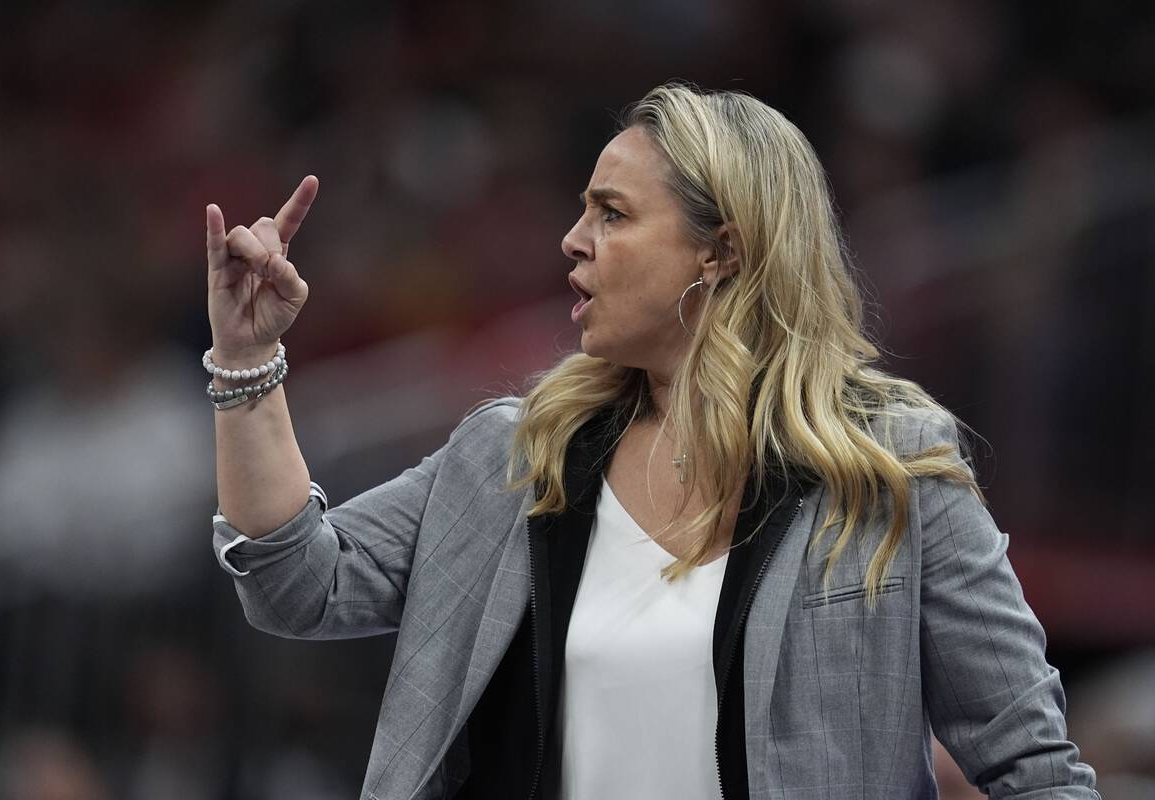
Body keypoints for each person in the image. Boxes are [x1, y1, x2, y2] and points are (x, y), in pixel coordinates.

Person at [205, 83, 1101, 799]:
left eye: (613, 214)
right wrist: (249, 359)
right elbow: (296, 586)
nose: (573, 240)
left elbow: (1033, 769)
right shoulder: (515, 459)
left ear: (722, 251)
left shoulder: (890, 470)